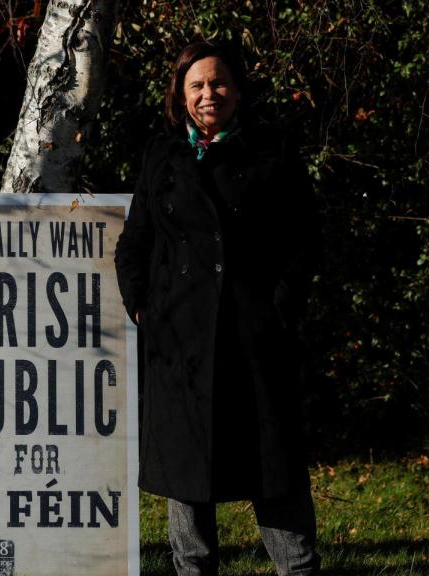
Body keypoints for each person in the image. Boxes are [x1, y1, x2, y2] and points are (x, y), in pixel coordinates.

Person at [114, 41, 321, 576]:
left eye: (219, 83)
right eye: (197, 86)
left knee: (272, 472)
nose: (210, 94)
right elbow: (134, 241)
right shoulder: (161, 155)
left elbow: (304, 239)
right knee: (186, 482)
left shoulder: (271, 150)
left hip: (253, 341)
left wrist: (279, 306)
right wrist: (143, 305)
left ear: (238, 89)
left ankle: (297, 570)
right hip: (178, 344)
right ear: (181, 96)